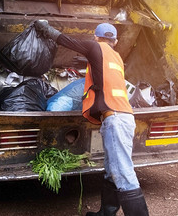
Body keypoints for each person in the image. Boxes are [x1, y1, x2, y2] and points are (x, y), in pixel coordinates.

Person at [35, 21, 149, 216]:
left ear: (96, 37)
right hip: (126, 117)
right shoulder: (117, 58)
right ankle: (106, 213)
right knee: (111, 170)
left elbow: (66, 40)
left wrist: (45, 29)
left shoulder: (95, 46)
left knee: (123, 173)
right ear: (115, 41)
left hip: (115, 119)